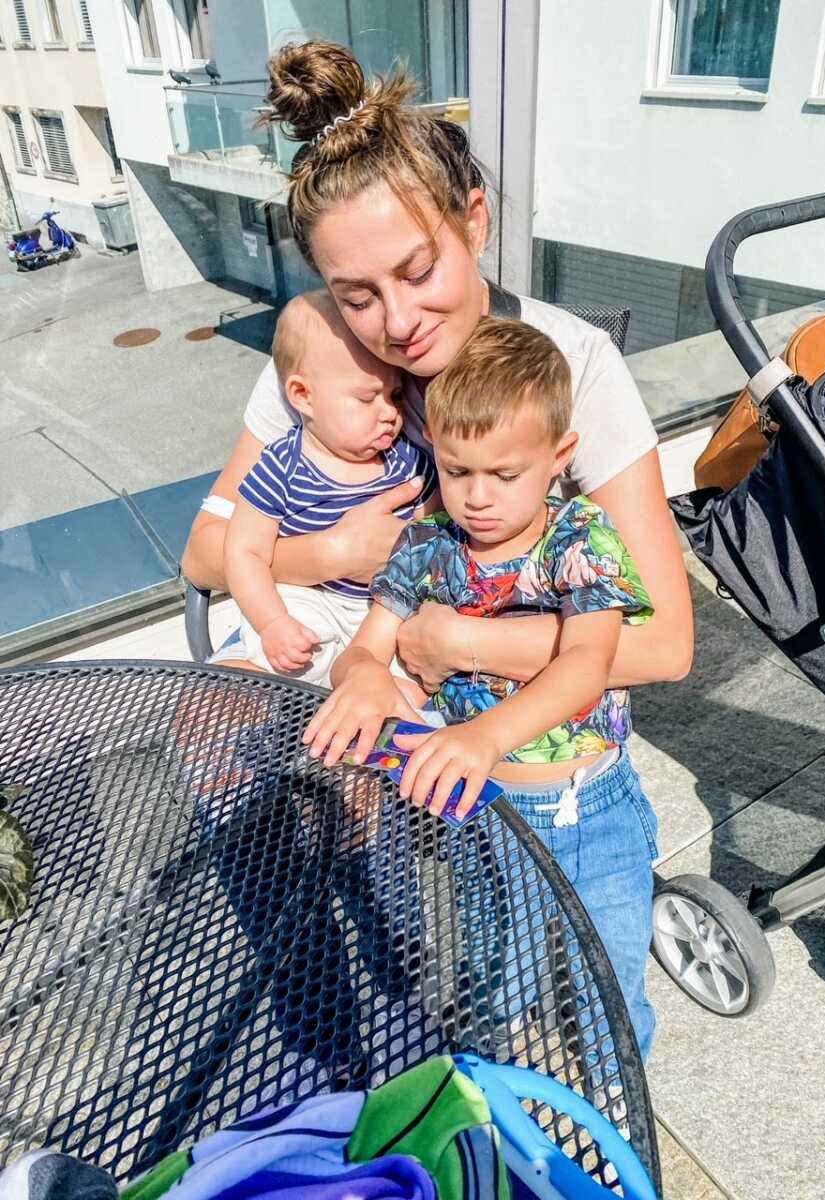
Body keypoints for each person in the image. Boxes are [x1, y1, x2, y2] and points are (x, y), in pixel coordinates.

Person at [181, 39, 694, 1057]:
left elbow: (667, 642)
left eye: (417, 272)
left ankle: (405, 999)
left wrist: (445, 641)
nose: (397, 323)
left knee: (368, 777)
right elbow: (209, 551)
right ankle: (356, 1001)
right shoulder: (324, 353)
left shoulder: (564, 367)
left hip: (510, 693)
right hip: (358, 632)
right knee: (217, 739)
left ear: (475, 222)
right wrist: (331, 555)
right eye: (356, 291)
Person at [304, 316, 656, 1047]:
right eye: (458, 471)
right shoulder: (427, 545)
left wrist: (483, 733)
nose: (478, 497)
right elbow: (365, 646)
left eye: (505, 473)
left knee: (612, 974)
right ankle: (494, 1069)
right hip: (487, 810)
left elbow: (586, 664)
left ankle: (617, 1085)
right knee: (497, 967)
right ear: (436, 447)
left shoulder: (580, 538)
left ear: (559, 456)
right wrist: (364, 675)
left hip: (593, 803)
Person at [224, 291, 436, 684]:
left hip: (386, 609)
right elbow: (243, 551)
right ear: (303, 396)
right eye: (366, 398)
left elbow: (436, 527)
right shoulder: (281, 466)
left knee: (406, 679)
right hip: (310, 599)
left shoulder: (407, 461)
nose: (390, 413)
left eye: (393, 395)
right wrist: (273, 623)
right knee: (291, 654)